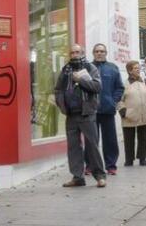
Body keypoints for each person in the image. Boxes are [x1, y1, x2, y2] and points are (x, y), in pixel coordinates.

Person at [54, 44, 106, 187]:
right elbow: (58, 89)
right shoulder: (65, 70)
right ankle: (77, 177)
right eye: (72, 52)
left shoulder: (90, 68)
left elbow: (97, 87)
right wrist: (61, 104)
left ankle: (100, 176)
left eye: (77, 52)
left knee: (92, 146)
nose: (74, 55)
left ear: (82, 53)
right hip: (71, 114)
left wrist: (80, 80)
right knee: (73, 147)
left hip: (87, 114)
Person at [86, 43, 124, 176]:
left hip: (108, 109)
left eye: (102, 51)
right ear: (93, 53)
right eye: (97, 51)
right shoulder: (87, 68)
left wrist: (113, 101)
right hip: (91, 110)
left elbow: (119, 87)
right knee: (91, 140)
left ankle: (111, 165)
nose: (99, 53)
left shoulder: (112, 68)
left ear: (106, 53)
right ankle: (90, 165)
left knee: (110, 140)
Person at [118, 60, 146, 167]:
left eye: (139, 68)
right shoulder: (124, 83)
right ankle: (129, 159)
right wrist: (123, 111)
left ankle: (142, 158)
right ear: (129, 71)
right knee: (128, 139)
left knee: (143, 138)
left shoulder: (145, 81)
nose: (138, 70)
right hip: (129, 115)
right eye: (135, 68)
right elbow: (119, 99)